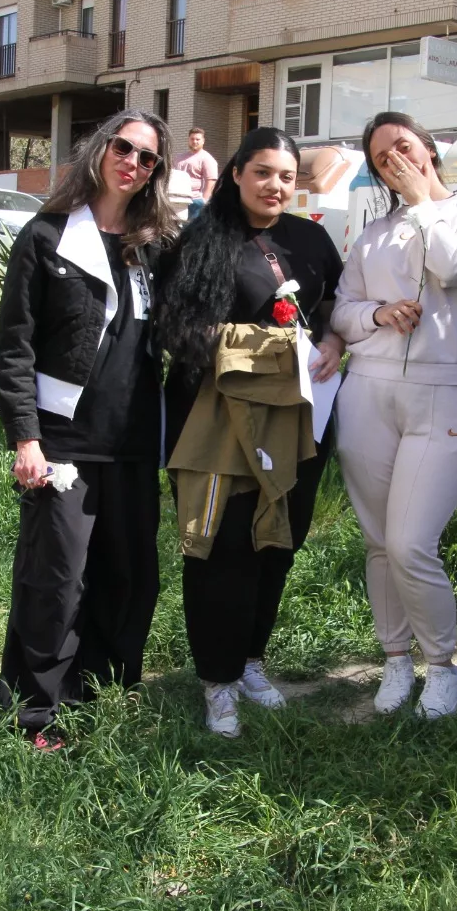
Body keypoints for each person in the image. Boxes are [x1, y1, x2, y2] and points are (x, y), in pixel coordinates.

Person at [0, 110, 179, 750]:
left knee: (130, 576)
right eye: (124, 147)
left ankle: (106, 698)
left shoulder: (156, 244)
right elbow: (13, 347)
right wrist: (25, 438)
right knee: (57, 579)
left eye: (148, 157)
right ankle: (36, 714)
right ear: (100, 149)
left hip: (133, 443)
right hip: (62, 438)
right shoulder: (46, 237)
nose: (133, 161)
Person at [157, 126, 345, 738]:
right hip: (220, 426)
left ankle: (250, 662)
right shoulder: (203, 242)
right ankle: (217, 680)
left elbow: (333, 310)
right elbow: (181, 333)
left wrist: (335, 338)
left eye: (287, 176)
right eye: (262, 172)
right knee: (221, 549)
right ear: (235, 173)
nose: (275, 186)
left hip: (301, 421)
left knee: (278, 546)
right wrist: (273, 349)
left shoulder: (310, 239)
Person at [331, 113, 457, 719]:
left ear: (429, 150)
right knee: (380, 541)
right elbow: (342, 310)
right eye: (382, 158)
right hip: (369, 392)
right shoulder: (374, 232)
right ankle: (395, 659)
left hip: (445, 390)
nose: (395, 160)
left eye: (403, 147)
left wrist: (422, 202)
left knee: (411, 542)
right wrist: (377, 315)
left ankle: (443, 665)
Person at [174, 127, 218, 221]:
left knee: (193, 231)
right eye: (192, 139)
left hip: (196, 201)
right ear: (188, 140)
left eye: (198, 139)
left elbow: (211, 181)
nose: (194, 141)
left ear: (203, 141)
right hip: (178, 200)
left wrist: (204, 201)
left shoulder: (207, 159)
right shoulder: (179, 158)